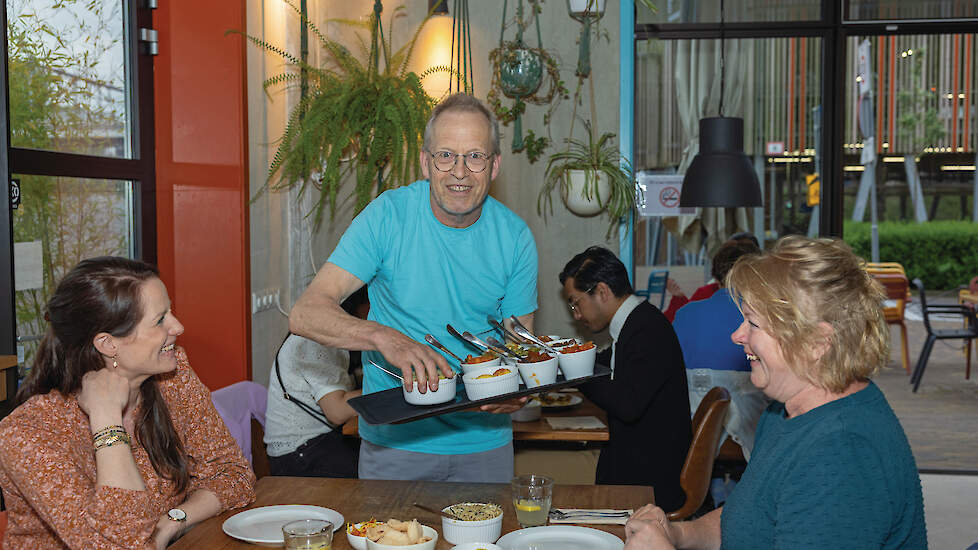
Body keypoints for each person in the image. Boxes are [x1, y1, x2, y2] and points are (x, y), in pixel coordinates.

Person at [289, 93, 538, 483]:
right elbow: (305, 313)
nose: (460, 172)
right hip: (394, 444)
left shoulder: (515, 237)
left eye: (475, 156)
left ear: (494, 167)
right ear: (425, 162)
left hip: (484, 447)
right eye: (445, 156)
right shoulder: (387, 217)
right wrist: (384, 337)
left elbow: (519, 347)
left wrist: (518, 386)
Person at [624, 236, 927, 550]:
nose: (737, 334)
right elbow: (751, 516)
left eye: (753, 323)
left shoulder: (842, 451)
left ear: (816, 343)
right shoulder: (782, 412)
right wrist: (679, 535)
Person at [0, 257, 255, 550]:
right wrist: (107, 419)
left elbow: (232, 473)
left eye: (170, 311)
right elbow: (121, 546)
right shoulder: (28, 434)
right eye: (160, 320)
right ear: (108, 344)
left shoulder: (173, 377)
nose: (178, 327)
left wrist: (171, 522)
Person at [559, 246, 691, 513]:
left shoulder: (646, 330)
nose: (576, 315)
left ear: (602, 292)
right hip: (642, 464)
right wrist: (560, 360)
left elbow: (627, 405)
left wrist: (575, 369)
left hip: (653, 483)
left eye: (575, 303)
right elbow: (605, 362)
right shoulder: (638, 322)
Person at [672, 238, 768, 459]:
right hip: (749, 433)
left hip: (692, 432)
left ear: (716, 275)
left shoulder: (686, 314)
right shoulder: (762, 317)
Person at [264, 288, 368, 477]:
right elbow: (337, 411)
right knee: (377, 473)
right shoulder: (314, 343)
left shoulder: (330, 336)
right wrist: (385, 390)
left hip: (318, 442)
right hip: (298, 455)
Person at [661, 232, 760, 322]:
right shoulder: (765, 307)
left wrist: (679, 300)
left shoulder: (704, 296)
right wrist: (679, 299)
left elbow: (679, 323)